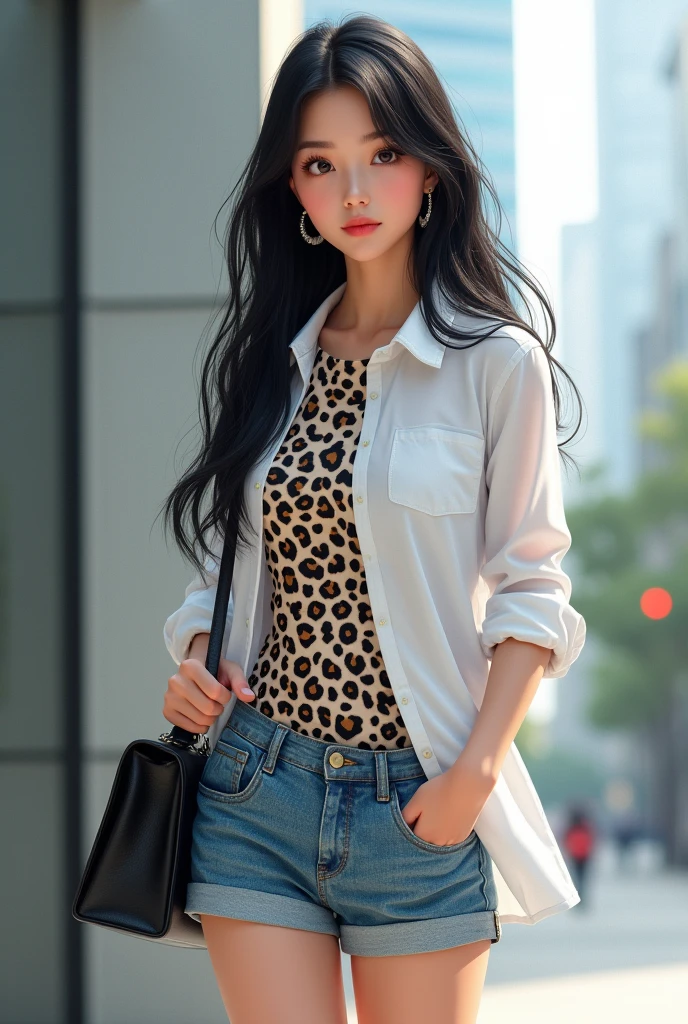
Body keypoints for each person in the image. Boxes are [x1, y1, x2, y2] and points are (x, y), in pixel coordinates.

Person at [158, 15, 587, 1024]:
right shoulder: (271, 363)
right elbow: (223, 570)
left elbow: (532, 586)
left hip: (418, 801)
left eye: (383, 155)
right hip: (253, 785)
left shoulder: (497, 364)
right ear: (294, 191)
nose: (354, 191)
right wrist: (192, 660)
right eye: (321, 164)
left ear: (430, 171)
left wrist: (475, 772)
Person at [563, 806, 596, 905]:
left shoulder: (571, 827)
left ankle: (578, 896)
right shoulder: (586, 827)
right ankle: (581, 896)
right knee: (582, 877)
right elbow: (591, 840)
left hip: (575, 855)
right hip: (584, 855)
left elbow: (566, 840)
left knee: (577, 877)